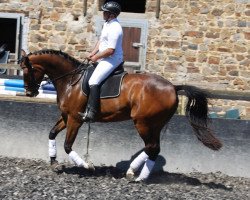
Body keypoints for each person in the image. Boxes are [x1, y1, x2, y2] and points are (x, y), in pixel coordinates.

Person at [79, 1, 123, 122]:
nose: (103, 13)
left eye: (105, 12)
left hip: (112, 59)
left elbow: (110, 50)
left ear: (111, 14)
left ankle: (92, 112)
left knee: (94, 80)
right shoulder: (107, 24)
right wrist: (92, 53)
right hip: (104, 57)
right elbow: (101, 41)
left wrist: (96, 57)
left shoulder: (115, 28)